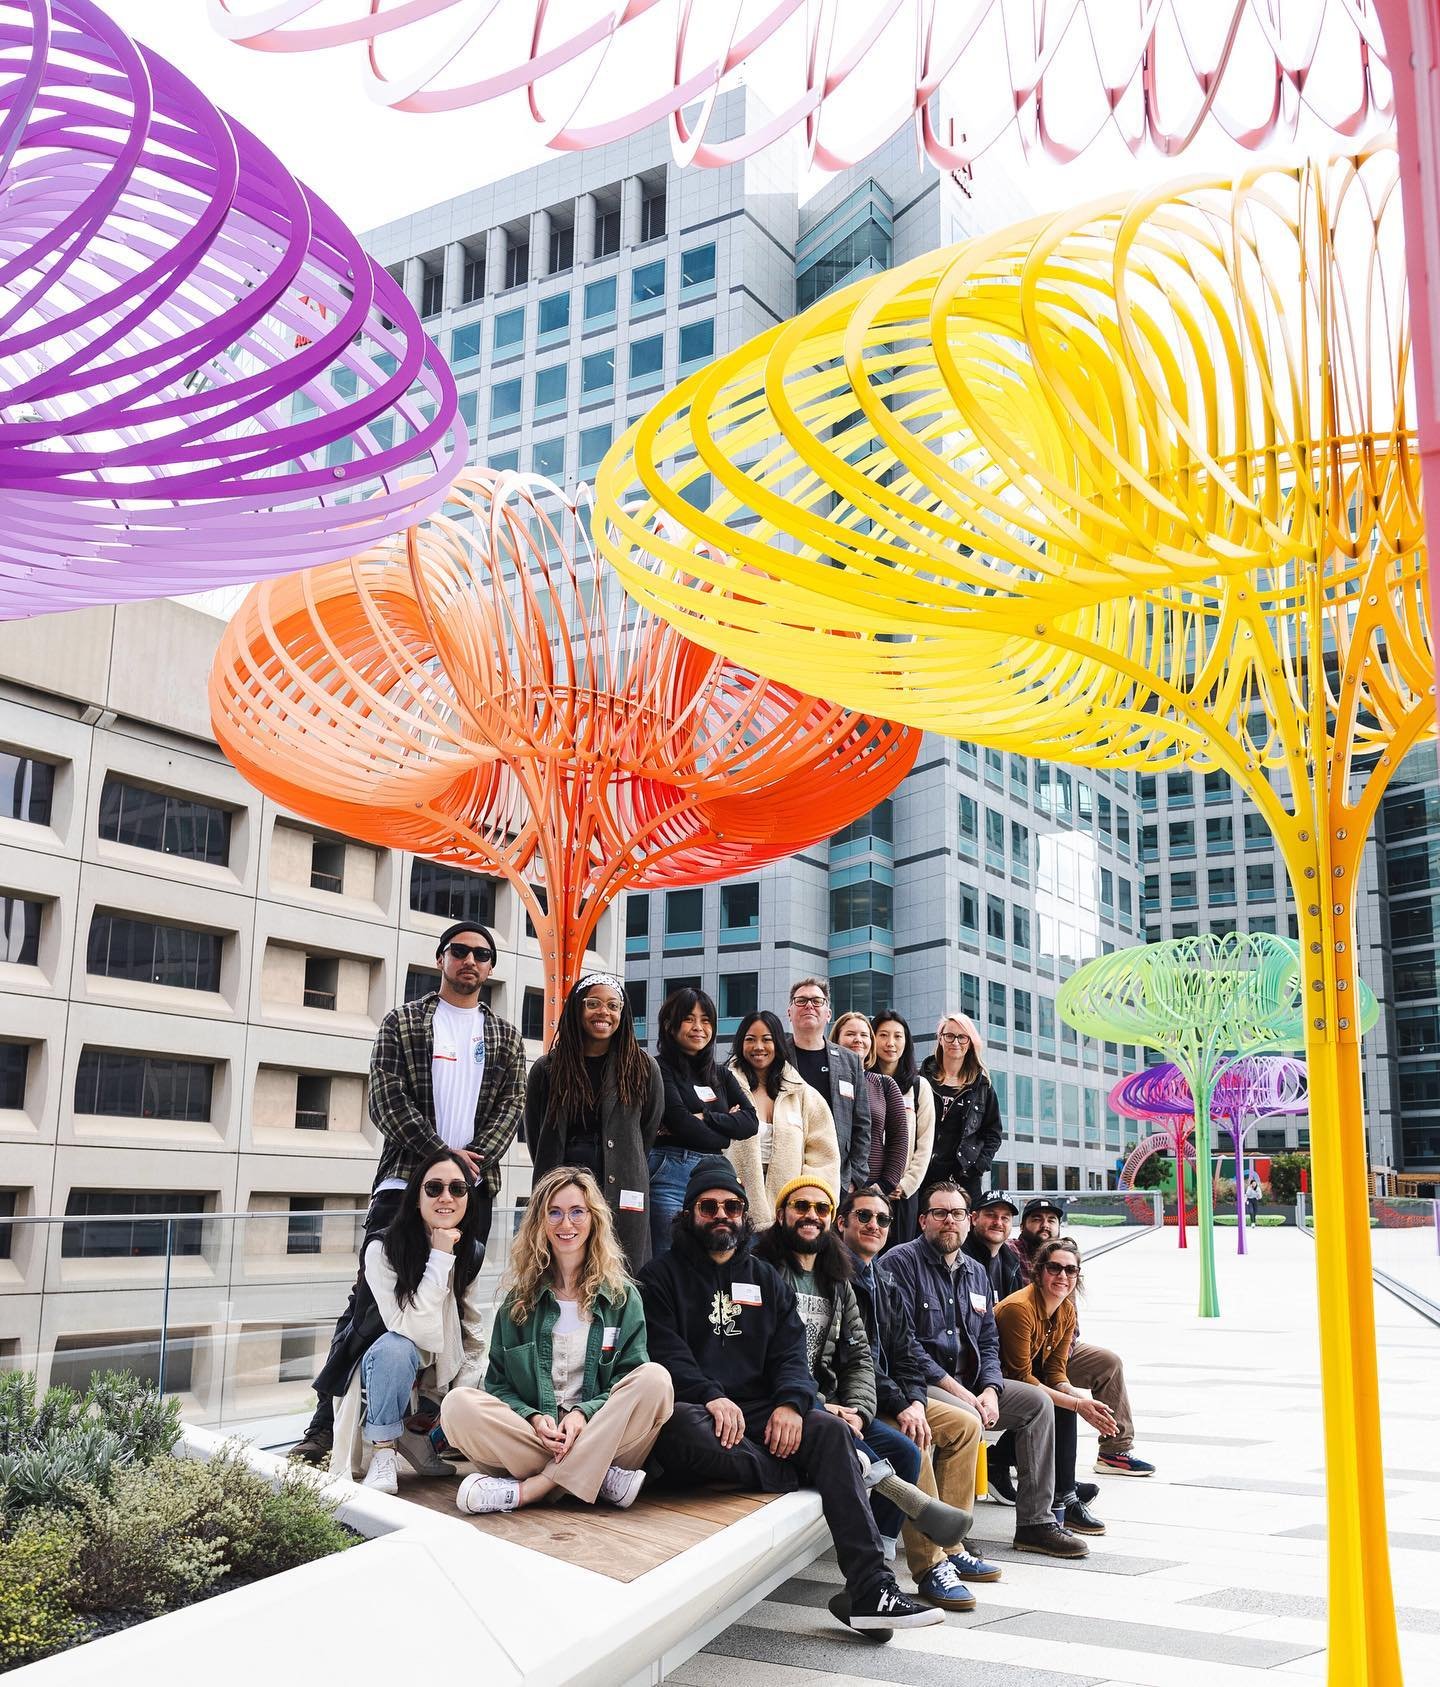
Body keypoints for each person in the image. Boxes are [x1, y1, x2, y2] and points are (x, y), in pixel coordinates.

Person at [639, 1158, 943, 1633]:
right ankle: (797, 1471)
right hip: (697, 1407)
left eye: (732, 1206)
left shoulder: (763, 1278)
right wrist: (711, 1397)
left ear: (743, 1213)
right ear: (688, 1212)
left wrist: (791, 1403)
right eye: (709, 1206)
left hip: (760, 1410)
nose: (721, 1214)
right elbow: (664, 1353)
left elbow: (790, 1353)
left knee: (829, 1432)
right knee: (679, 1432)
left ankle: (869, 1588)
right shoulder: (659, 1276)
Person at [292, 920, 526, 1466]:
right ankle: (325, 1425)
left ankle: (428, 1423)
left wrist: (469, 1164)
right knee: (371, 1304)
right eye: (460, 951)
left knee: (450, 1298)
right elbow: (386, 1100)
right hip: (403, 1183)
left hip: (473, 1189)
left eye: (482, 954)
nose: (471, 961)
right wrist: (441, 1156)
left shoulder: (506, 1037)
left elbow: (511, 1109)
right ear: (441, 958)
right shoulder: (404, 1022)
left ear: (491, 967)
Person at [750, 1175, 973, 1559]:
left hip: (849, 1402)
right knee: (899, 1442)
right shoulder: (762, 1274)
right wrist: (832, 1404)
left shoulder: (845, 1279)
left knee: (914, 1447)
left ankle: (886, 1559)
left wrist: (870, 1407)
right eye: (801, 1207)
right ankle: (929, 1559)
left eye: (820, 1208)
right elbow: (765, 1359)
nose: (811, 1215)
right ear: (782, 1214)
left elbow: (870, 1356)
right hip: (791, 1401)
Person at [440, 1166, 674, 1512]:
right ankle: (596, 1476)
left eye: (577, 1212)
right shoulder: (518, 1302)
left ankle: (533, 1488)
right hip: (536, 1439)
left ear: (593, 1219)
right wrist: (534, 1418)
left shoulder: (622, 1297)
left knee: (656, 1380)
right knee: (457, 1405)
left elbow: (630, 1376)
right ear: (540, 1222)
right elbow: (499, 1385)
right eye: (555, 1212)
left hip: (602, 1430)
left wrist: (583, 1414)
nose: (566, 1224)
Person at [878, 1181, 1087, 1559]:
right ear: (923, 1219)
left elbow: (989, 1341)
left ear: (967, 1220)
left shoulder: (975, 1272)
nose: (949, 1222)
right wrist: (964, 1394)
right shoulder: (899, 1263)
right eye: (939, 1213)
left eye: (957, 1214)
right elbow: (904, 1345)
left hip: (973, 1383)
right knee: (963, 1416)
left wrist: (991, 1389)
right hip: (924, 1383)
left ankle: (1036, 1524)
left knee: (1038, 1403)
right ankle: (951, 1530)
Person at [836, 1184, 1001, 1613]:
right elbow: (859, 1361)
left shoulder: (883, 1279)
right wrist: (904, 1403)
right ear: (843, 1224)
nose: (874, 1225)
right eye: (864, 1218)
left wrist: (912, 1398)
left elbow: (907, 1350)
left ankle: (952, 1539)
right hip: (863, 1401)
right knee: (918, 1441)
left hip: (897, 1394)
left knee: (965, 1424)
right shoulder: (841, 1277)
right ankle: (929, 1564)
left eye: (882, 1219)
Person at [329, 1148, 490, 1491]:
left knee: (490, 1372)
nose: (446, 1197)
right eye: (434, 1189)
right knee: (397, 1348)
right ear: (416, 1198)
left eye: (457, 1189)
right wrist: (440, 1255)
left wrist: (464, 1392)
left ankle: (420, 1438)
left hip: (436, 1360)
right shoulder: (382, 1249)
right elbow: (411, 1327)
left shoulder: (471, 1252)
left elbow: (472, 1328)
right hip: (381, 1360)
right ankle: (384, 1450)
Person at [526, 973, 663, 1271]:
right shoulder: (547, 1068)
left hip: (623, 1184)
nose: (604, 1012)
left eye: (614, 1006)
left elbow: (646, 1132)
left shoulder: (642, 1067)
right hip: (562, 1182)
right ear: (577, 1008)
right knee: (561, 1267)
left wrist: (626, 1159)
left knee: (622, 1270)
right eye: (594, 1004)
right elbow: (536, 1136)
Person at [1012, 1197, 1155, 1478]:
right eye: (1036, 1219)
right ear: (1024, 1225)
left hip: (1057, 1349)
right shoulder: (1011, 1253)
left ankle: (1115, 1451)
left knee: (1107, 1363)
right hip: (1024, 1349)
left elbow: (1070, 1322)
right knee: (1059, 1395)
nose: (1044, 1225)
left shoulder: (1065, 1257)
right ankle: (1023, 1461)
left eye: (1050, 1220)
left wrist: (1060, 1360)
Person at [995, 1237, 1112, 1536]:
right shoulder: (1019, 1309)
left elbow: (1055, 1372)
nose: (1063, 1276)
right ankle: (1064, 1497)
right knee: (1059, 1406)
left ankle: (1004, 1464)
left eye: (1070, 1270)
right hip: (989, 1386)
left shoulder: (1066, 1309)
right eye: (1055, 1268)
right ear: (1038, 1271)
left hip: (1022, 1388)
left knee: (1062, 1401)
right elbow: (1021, 1376)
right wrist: (1075, 1404)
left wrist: (1082, 1399)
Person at [649, 987, 758, 1256]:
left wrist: (706, 1118)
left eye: (706, 1020)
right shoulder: (658, 1068)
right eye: (689, 1019)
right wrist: (724, 1130)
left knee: (712, 1257)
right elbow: (680, 1122)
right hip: (670, 1170)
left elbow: (750, 1122)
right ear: (669, 1025)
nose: (699, 1027)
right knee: (668, 1256)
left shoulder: (721, 1074)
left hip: (714, 1174)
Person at [725, 1010, 841, 1226]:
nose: (758, 1047)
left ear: (778, 1044)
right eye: (750, 1040)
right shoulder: (723, 1087)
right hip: (733, 1209)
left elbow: (824, 1156)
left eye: (767, 1040)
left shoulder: (804, 1094)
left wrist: (805, 1201)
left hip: (791, 1214)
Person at [785, 978, 872, 1189]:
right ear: (789, 1012)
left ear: (828, 1013)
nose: (809, 1006)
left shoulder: (849, 1060)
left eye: (817, 1001)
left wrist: (854, 1179)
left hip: (836, 1177)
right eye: (801, 1000)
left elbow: (861, 1125)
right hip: (787, 1169)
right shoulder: (777, 1055)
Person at [920, 1012, 1002, 1207]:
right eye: (949, 1035)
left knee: (960, 1232)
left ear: (970, 1042)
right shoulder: (922, 1080)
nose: (955, 1042)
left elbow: (994, 1133)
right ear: (940, 1039)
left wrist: (977, 1165)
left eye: (962, 1037)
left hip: (964, 1175)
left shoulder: (982, 1086)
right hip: (923, 1172)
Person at [872, 1011, 934, 1245]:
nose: (891, 1043)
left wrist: (905, 1185)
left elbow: (925, 1144)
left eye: (898, 1036)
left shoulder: (919, 1087)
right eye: (883, 1035)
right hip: (869, 1188)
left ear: (906, 1042)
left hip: (903, 1194)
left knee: (899, 1258)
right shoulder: (863, 1081)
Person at [831, 1012, 909, 1200]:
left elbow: (899, 1139)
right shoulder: (826, 1080)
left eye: (864, 1035)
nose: (858, 1040)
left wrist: (884, 1186)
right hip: (829, 1185)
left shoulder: (884, 1085)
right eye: (850, 1034)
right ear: (836, 1039)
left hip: (872, 1190)